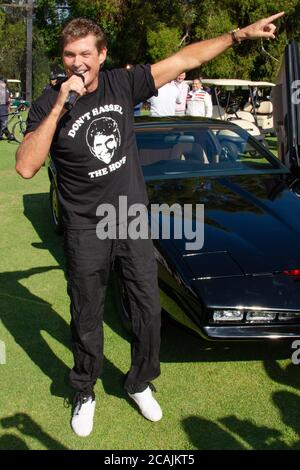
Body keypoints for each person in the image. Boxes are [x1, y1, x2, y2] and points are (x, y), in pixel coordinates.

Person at [15, 12, 284, 437]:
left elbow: (182, 60)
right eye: (70, 55)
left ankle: (140, 381)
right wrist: (60, 105)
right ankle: (84, 389)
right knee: (86, 312)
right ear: (62, 59)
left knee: (146, 306)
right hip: (85, 226)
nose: (77, 63)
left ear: (102, 55)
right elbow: (27, 167)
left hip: (130, 218)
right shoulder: (47, 104)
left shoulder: (122, 85)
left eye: (86, 53)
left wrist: (238, 35)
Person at [0, 77, 14, 141]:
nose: (3, 84)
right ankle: (9, 136)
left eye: (4, 83)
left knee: (2, 122)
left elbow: (8, 99)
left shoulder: (6, 90)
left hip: (4, 107)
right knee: (4, 122)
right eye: (2, 83)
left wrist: (9, 106)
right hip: (1, 107)